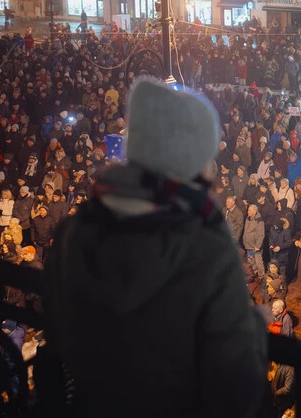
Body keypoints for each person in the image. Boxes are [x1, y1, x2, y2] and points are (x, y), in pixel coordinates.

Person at [45, 78, 266, 417]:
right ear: (189, 162)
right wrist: (251, 325)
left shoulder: (74, 232)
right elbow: (237, 384)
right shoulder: (207, 249)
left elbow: (61, 339)